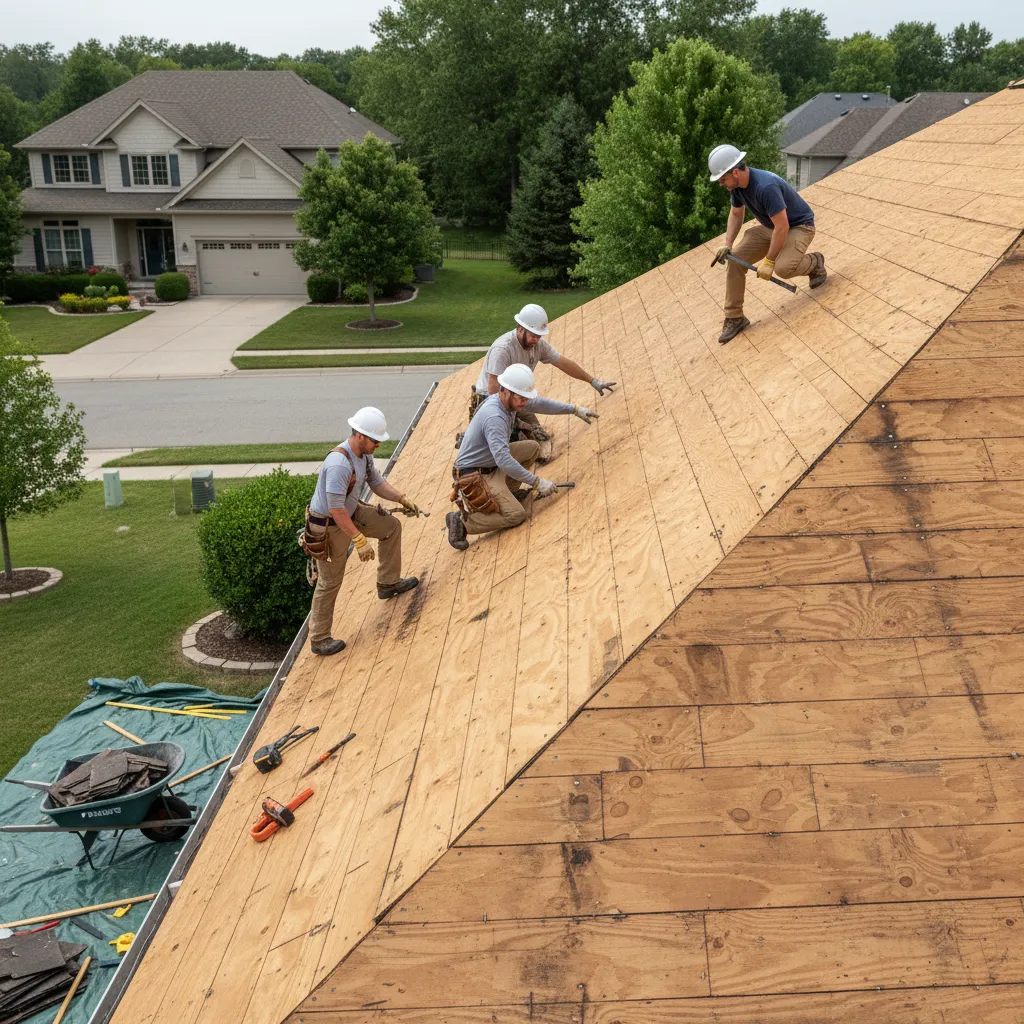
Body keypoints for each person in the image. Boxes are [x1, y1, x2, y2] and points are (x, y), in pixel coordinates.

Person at [307, 407, 423, 656]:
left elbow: (376, 483)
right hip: (327, 526)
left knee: (391, 527)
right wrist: (358, 540)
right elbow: (335, 509)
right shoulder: (339, 463)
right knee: (329, 582)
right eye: (374, 440)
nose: (377, 445)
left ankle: (388, 583)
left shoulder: (364, 456)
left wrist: (401, 498)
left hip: (350, 512)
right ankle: (319, 638)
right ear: (359, 435)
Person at [447, 363, 597, 549]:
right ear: (506, 391)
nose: (524, 403)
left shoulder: (511, 400)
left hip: (491, 463)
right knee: (516, 515)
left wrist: (574, 409)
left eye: (526, 399)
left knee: (532, 448)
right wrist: (537, 482)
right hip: (476, 475)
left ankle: (507, 494)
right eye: (521, 398)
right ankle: (463, 522)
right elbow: (503, 459)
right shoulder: (495, 417)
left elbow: (540, 403)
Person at [708, 144, 828, 344]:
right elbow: (736, 214)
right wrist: (727, 244)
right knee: (736, 259)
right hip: (773, 227)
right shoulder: (736, 187)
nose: (721, 183)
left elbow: (783, 227)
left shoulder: (766, 186)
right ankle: (734, 317)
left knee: (783, 267)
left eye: (723, 179)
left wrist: (770, 261)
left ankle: (815, 263)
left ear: (735, 172)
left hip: (798, 226)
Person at [467, 303, 615, 460]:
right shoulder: (503, 349)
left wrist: (592, 381)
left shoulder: (538, 345)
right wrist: (512, 419)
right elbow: (493, 390)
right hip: (491, 401)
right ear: (520, 328)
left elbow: (563, 363)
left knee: (540, 438)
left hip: (517, 394)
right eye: (533, 335)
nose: (535, 340)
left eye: (539, 336)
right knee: (517, 451)